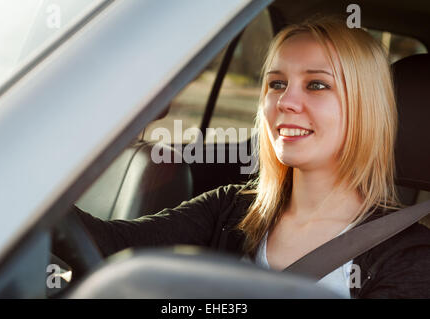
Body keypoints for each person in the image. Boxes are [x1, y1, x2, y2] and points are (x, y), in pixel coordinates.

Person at [71, 17, 430, 298]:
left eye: (316, 84)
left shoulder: (410, 257)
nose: (285, 101)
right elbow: (105, 246)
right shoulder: (232, 208)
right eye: (276, 83)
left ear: (365, 109)